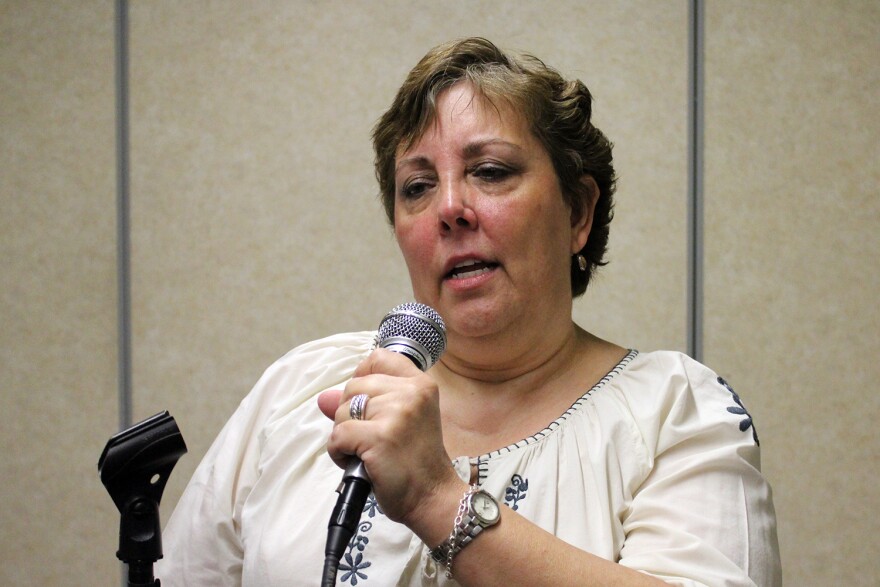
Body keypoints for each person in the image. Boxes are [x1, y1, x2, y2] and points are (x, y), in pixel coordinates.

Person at [158, 37, 781, 586]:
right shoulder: (304, 392)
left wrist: (437, 498)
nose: (449, 208)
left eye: (489, 171)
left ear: (579, 213)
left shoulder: (675, 412)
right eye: (417, 187)